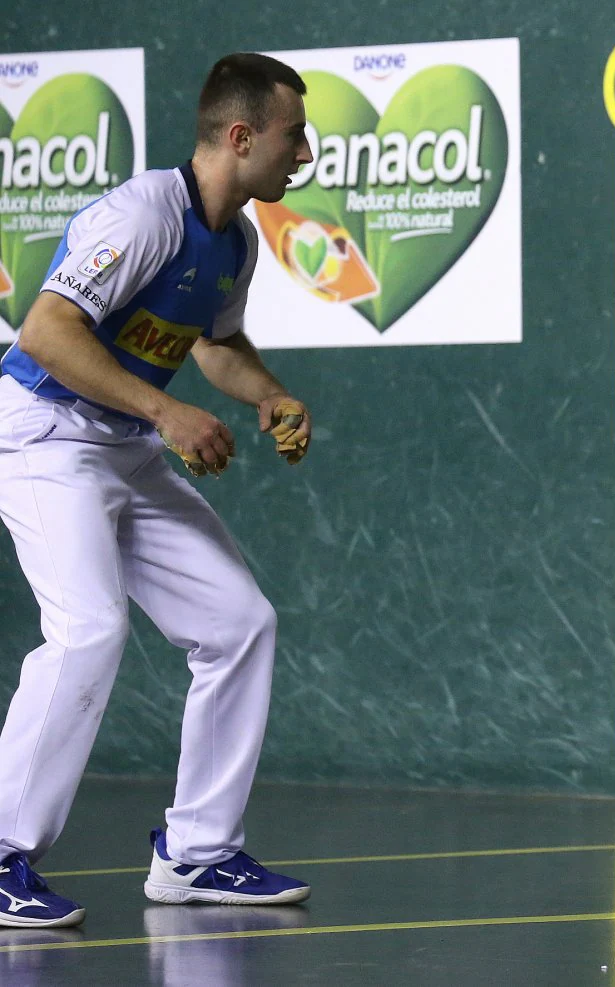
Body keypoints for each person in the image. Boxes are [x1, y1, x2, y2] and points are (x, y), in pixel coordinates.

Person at [0, 53, 318, 926]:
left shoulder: (235, 240)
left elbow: (216, 345)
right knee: (88, 630)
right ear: (242, 136)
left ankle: (197, 851)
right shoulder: (141, 213)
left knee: (238, 623)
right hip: (44, 433)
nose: (305, 154)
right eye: (294, 137)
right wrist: (167, 414)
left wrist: (271, 396)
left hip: (125, 444)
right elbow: (47, 330)